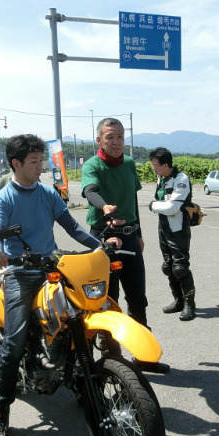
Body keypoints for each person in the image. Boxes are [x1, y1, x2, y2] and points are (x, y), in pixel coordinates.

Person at [0, 134, 119, 436]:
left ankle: (80, 380)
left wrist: (100, 246)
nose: (40, 166)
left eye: (40, 160)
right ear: (16, 163)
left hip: (51, 265)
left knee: (80, 315)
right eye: (34, 161)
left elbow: (72, 227)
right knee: (14, 340)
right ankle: (0, 411)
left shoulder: (47, 193)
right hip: (20, 272)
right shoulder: (4, 198)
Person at [81, 118, 148, 327]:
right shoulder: (93, 165)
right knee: (108, 297)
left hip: (130, 235)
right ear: (99, 140)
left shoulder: (128, 163)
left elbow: (132, 200)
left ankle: (141, 342)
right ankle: (109, 344)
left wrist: (139, 234)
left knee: (137, 295)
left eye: (120, 137)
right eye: (110, 137)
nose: (116, 141)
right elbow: (90, 190)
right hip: (103, 235)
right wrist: (104, 207)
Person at [148, 147, 197, 321]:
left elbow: (172, 207)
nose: (153, 168)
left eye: (155, 165)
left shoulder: (181, 179)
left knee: (180, 267)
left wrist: (152, 205)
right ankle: (178, 301)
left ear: (166, 165)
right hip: (163, 226)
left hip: (178, 227)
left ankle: (189, 304)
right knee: (168, 266)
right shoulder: (161, 177)